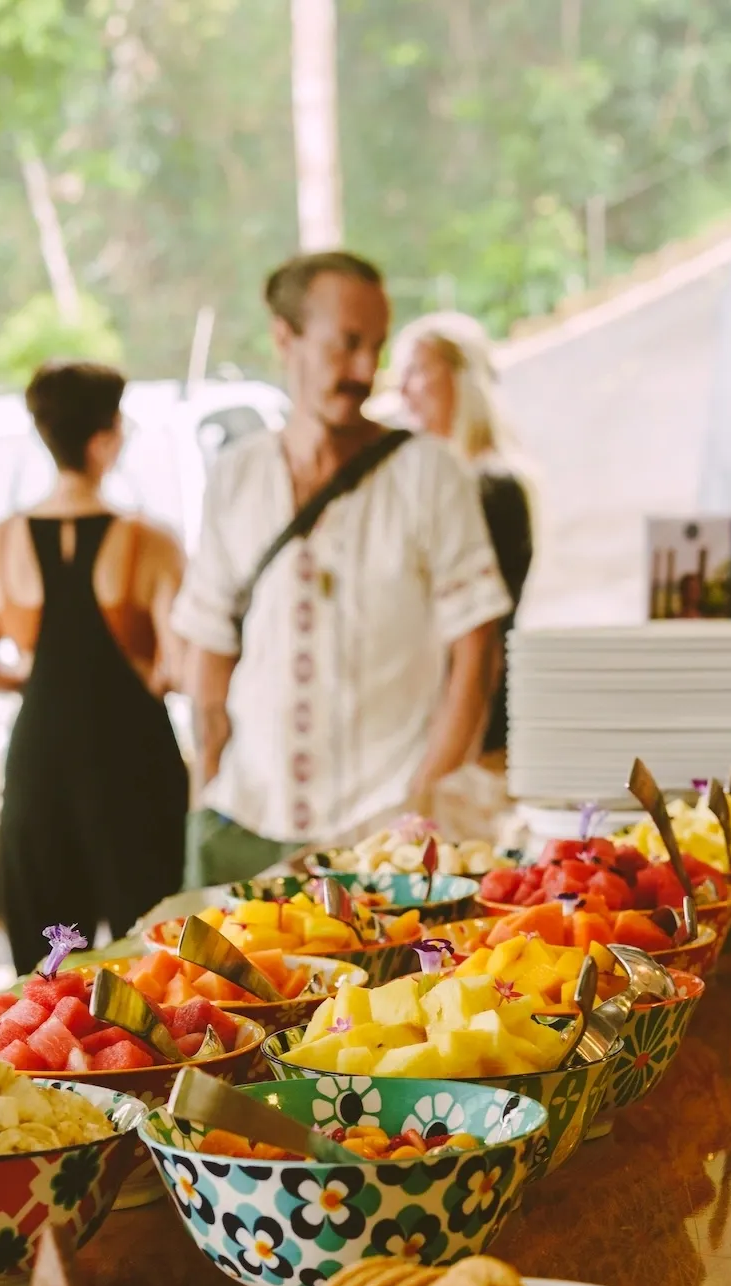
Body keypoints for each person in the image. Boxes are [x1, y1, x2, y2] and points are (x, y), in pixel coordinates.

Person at [174, 251, 512, 888]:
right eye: (347, 344)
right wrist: (205, 791)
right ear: (286, 337)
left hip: (384, 833)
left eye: (376, 347)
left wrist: (420, 809)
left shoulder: (429, 473)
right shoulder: (237, 476)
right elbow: (210, 652)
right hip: (242, 821)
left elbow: (477, 654)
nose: (366, 369)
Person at [0, 360, 188, 972]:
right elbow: (183, 666)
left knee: (47, 972)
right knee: (152, 958)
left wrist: (42, 682)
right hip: (133, 762)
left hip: (41, 763)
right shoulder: (152, 541)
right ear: (105, 437)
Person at [393, 312, 534, 757]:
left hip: (472, 732)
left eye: (417, 370)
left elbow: (480, 639)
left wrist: (452, 756)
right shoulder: (434, 484)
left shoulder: (492, 487)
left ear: (460, 376)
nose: (403, 391)